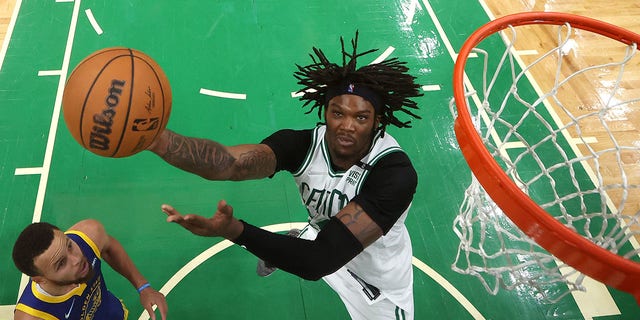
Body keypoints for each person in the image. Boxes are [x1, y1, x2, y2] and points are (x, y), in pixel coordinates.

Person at [150, 31, 422, 319]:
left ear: (377, 121)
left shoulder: (394, 174)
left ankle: (301, 240)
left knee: (317, 251)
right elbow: (231, 163)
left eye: (361, 117)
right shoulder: (302, 145)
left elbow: (317, 262)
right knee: (319, 239)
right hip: (327, 239)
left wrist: (235, 230)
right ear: (325, 112)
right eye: (337, 113)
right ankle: (303, 237)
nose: (347, 126)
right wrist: (156, 140)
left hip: (374, 283)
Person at [12, 219, 168, 320]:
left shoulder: (88, 234)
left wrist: (143, 287)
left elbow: (108, 247)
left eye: (69, 245)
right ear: (40, 279)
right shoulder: (33, 317)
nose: (77, 259)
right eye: (61, 264)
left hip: (113, 313)